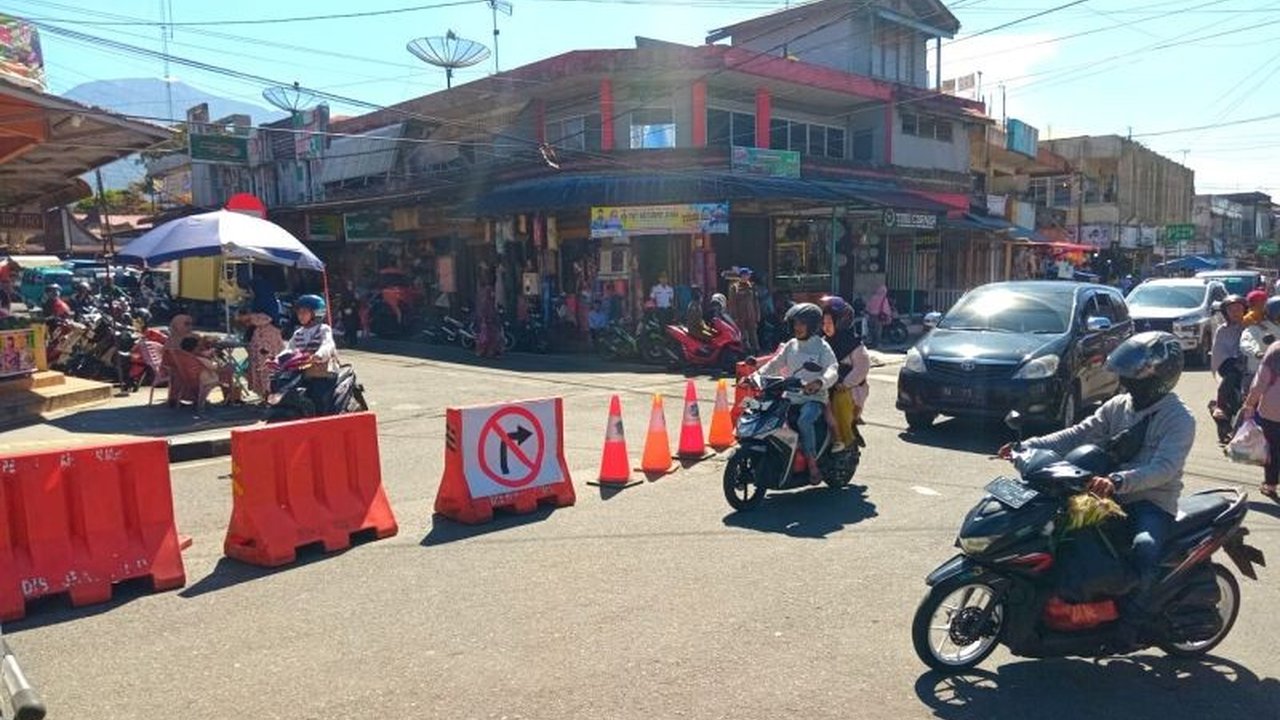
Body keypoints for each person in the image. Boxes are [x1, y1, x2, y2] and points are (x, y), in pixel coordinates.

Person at [999, 332, 1194, 644]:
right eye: (1125, 378)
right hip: (1102, 493)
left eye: (1134, 379)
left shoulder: (1180, 419)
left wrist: (1119, 481)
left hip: (1150, 502)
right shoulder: (1120, 405)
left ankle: (1131, 625)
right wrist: (1027, 446)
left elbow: (1164, 469)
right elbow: (1079, 433)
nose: (1127, 385)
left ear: (1158, 379)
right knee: (1057, 533)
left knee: (1144, 550)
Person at [752, 303, 839, 484]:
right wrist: (755, 376)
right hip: (790, 396)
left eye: (801, 324)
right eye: (795, 324)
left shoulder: (822, 347)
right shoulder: (791, 345)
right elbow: (775, 364)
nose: (797, 328)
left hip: (814, 398)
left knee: (804, 420)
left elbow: (833, 368)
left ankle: (812, 465)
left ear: (812, 325)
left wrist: (819, 382)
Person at [820, 296, 871, 453]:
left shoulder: (855, 345)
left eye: (830, 323)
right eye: (823, 324)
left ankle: (844, 440)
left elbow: (861, 369)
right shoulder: (822, 342)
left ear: (840, 323)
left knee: (839, 401)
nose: (826, 327)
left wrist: (845, 383)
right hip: (824, 385)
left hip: (849, 390)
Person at [1241, 339, 1280, 501]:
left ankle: (1270, 485)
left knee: (1273, 448)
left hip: (1273, 410)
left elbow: (1260, 383)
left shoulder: (1275, 350)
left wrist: (1249, 404)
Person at [287, 294, 339, 413]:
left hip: (323, 372)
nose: (301, 316)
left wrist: (319, 354)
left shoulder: (323, 329)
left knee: (319, 397)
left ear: (317, 313)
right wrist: (277, 359)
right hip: (303, 370)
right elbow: (289, 348)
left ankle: (322, 418)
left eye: (305, 312)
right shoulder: (298, 333)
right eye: (299, 313)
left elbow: (328, 344)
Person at [1209, 294, 1247, 443]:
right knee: (1231, 375)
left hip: (1250, 363)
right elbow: (1220, 353)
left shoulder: (1251, 326)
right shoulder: (1222, 330)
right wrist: (1235, 359)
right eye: (1231, 310)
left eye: (1239, 309)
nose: (1236, 312)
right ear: (1225, 313)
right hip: (1229, 364)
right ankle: (1220, 406)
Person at [1239, 296, 1280, 389]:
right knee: (1250, 392)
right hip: (1259, 370)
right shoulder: (1256, 327)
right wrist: (1257, 353)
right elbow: (1246, 342)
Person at [728, 268, 761, 354]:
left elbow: (755, 302)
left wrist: (758, 315)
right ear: (742, 276)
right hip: (740, 316)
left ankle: (756, 350)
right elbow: (732, 303)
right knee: (742, 334)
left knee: (753, 333)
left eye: (749, 275)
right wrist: (734, 317)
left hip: (751, 315)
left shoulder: (752, 286)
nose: (749, 276)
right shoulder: (734, 288)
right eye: (747, 275)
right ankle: (745, 351)